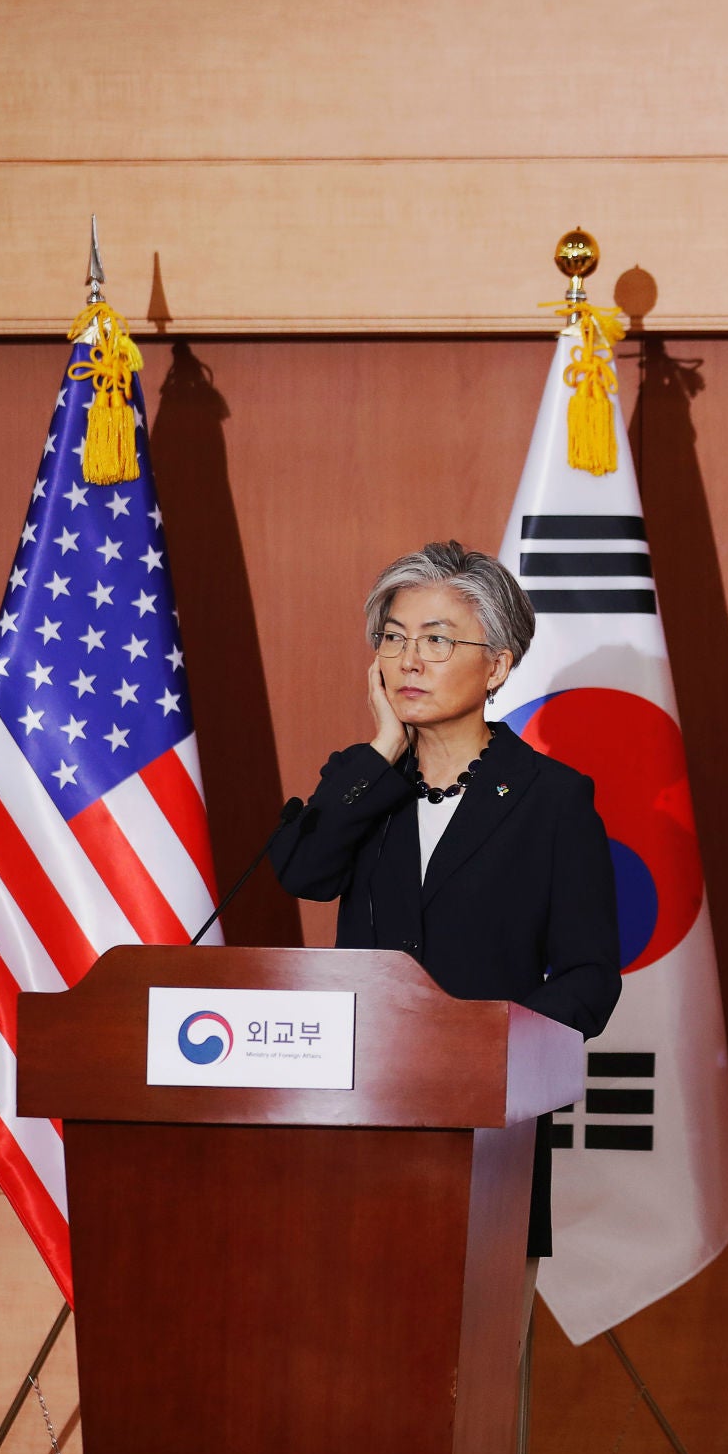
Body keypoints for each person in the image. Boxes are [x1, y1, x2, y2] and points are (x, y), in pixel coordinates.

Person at [271, 541, 622, 1266]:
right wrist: (380, 750)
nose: (409, 661)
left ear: (496, 665)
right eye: (394, 639)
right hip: (357, 1114)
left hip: (488, 1131)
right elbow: (301, 872)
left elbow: (591, 978)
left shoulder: (552, 800)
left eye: (436, 640)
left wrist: (481, 1047)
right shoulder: (364, 781)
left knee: (478, 1366)